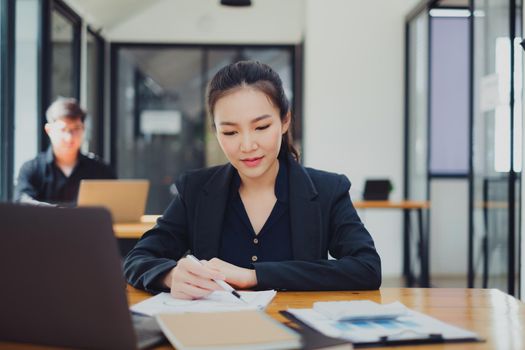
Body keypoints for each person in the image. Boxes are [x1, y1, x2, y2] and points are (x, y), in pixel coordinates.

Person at [124, 61, 381, 299]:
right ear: (215, 131)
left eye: (261, 127)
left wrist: (254, 276)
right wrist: (170, 276)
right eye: (230, 132)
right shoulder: (196, 190)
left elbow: (366, 267)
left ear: (284, 121)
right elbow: (139, 258)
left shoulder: (328, 190)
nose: (247, 145)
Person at [14, 97, 115, 206]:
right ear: (49, 130)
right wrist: (57, 212)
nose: (69, 137)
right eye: (63, 129)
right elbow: (22, 202)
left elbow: (117, 201)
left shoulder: (100, 169)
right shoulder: (32, 169)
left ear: (83, 129)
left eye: (76, 129)